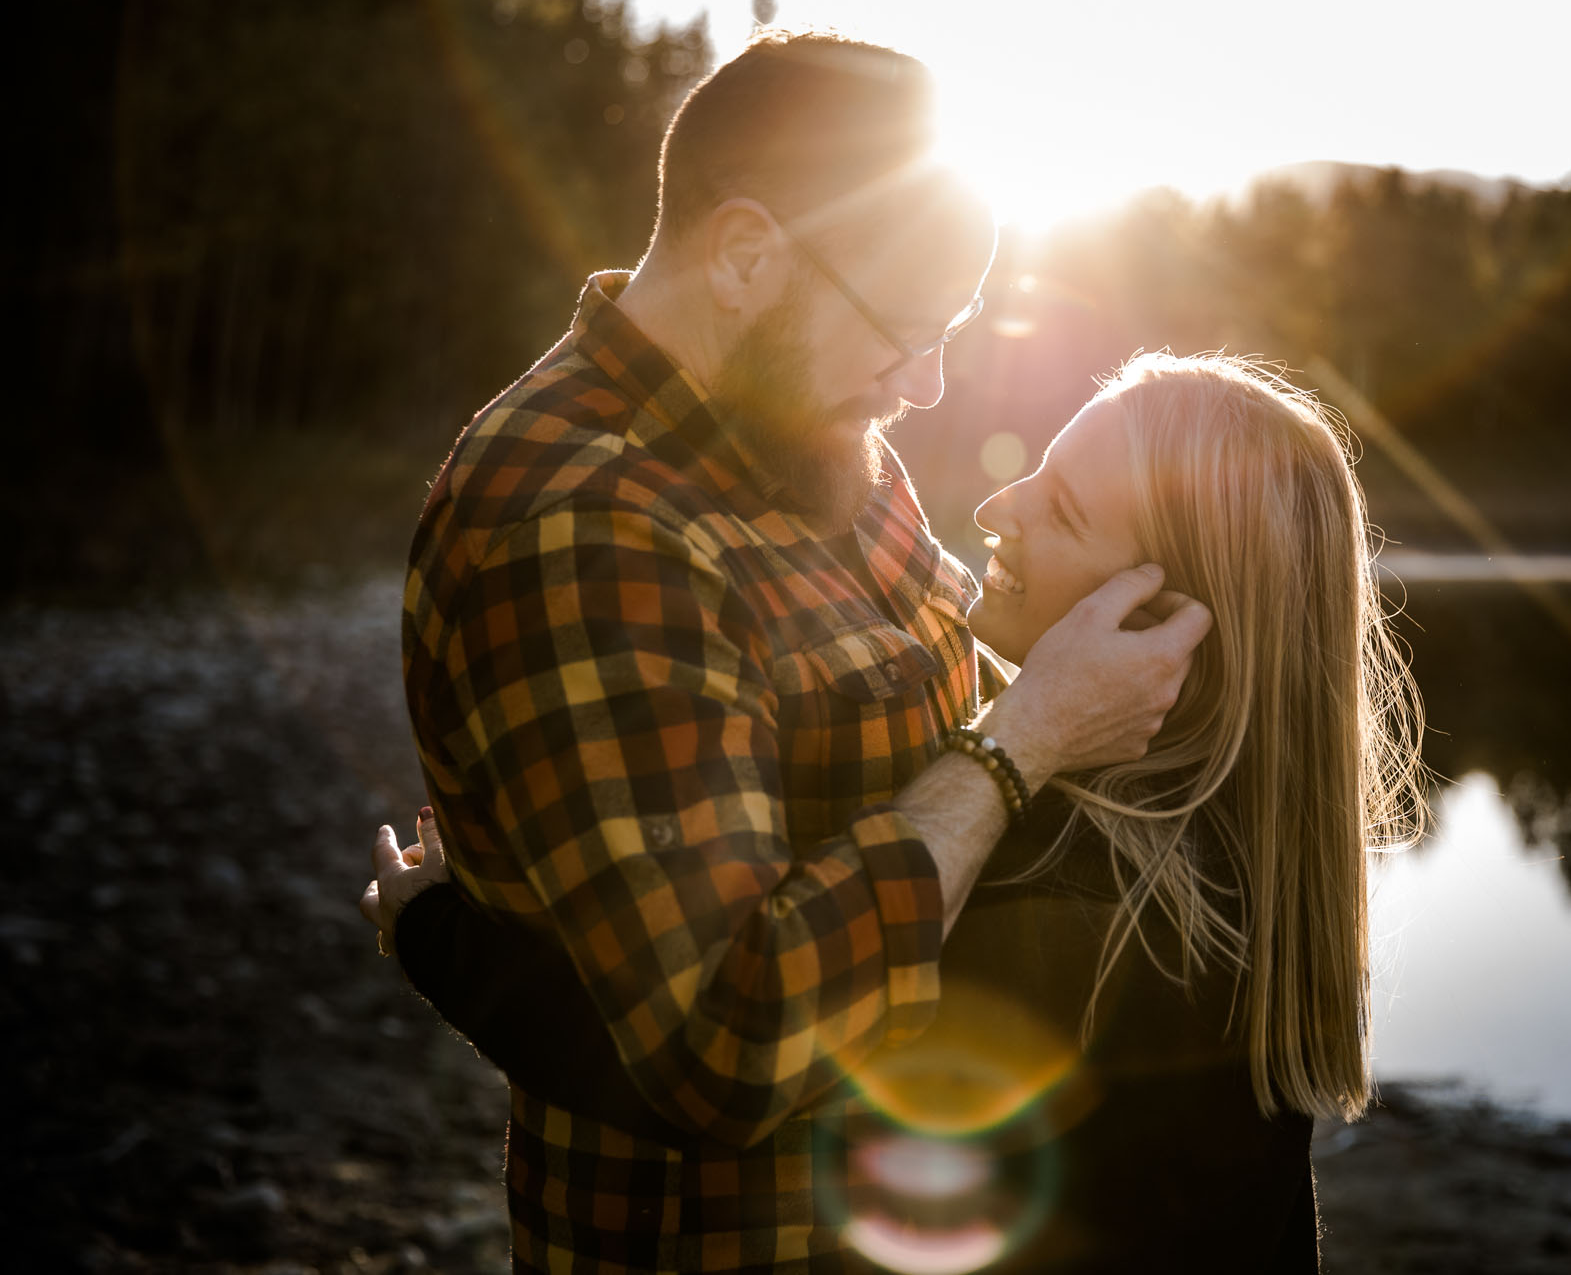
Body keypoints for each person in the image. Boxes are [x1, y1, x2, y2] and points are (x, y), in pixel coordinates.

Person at [375, 28, 1213, 1274]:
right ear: (747, 253)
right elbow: (728, 1042)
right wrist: (1022, 742)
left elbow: (910, 694)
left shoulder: (805, 427)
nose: (925, 384)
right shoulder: (581, 528)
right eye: (905, 327)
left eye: (953, 331)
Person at [368, 352, 1427, 1271]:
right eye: (1034, 473)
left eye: (1057, 509)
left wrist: (440, 936)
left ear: (1162, 626)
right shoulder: (1236, 874)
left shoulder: (1057, 913)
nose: (996, 509)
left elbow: (722, 1072)